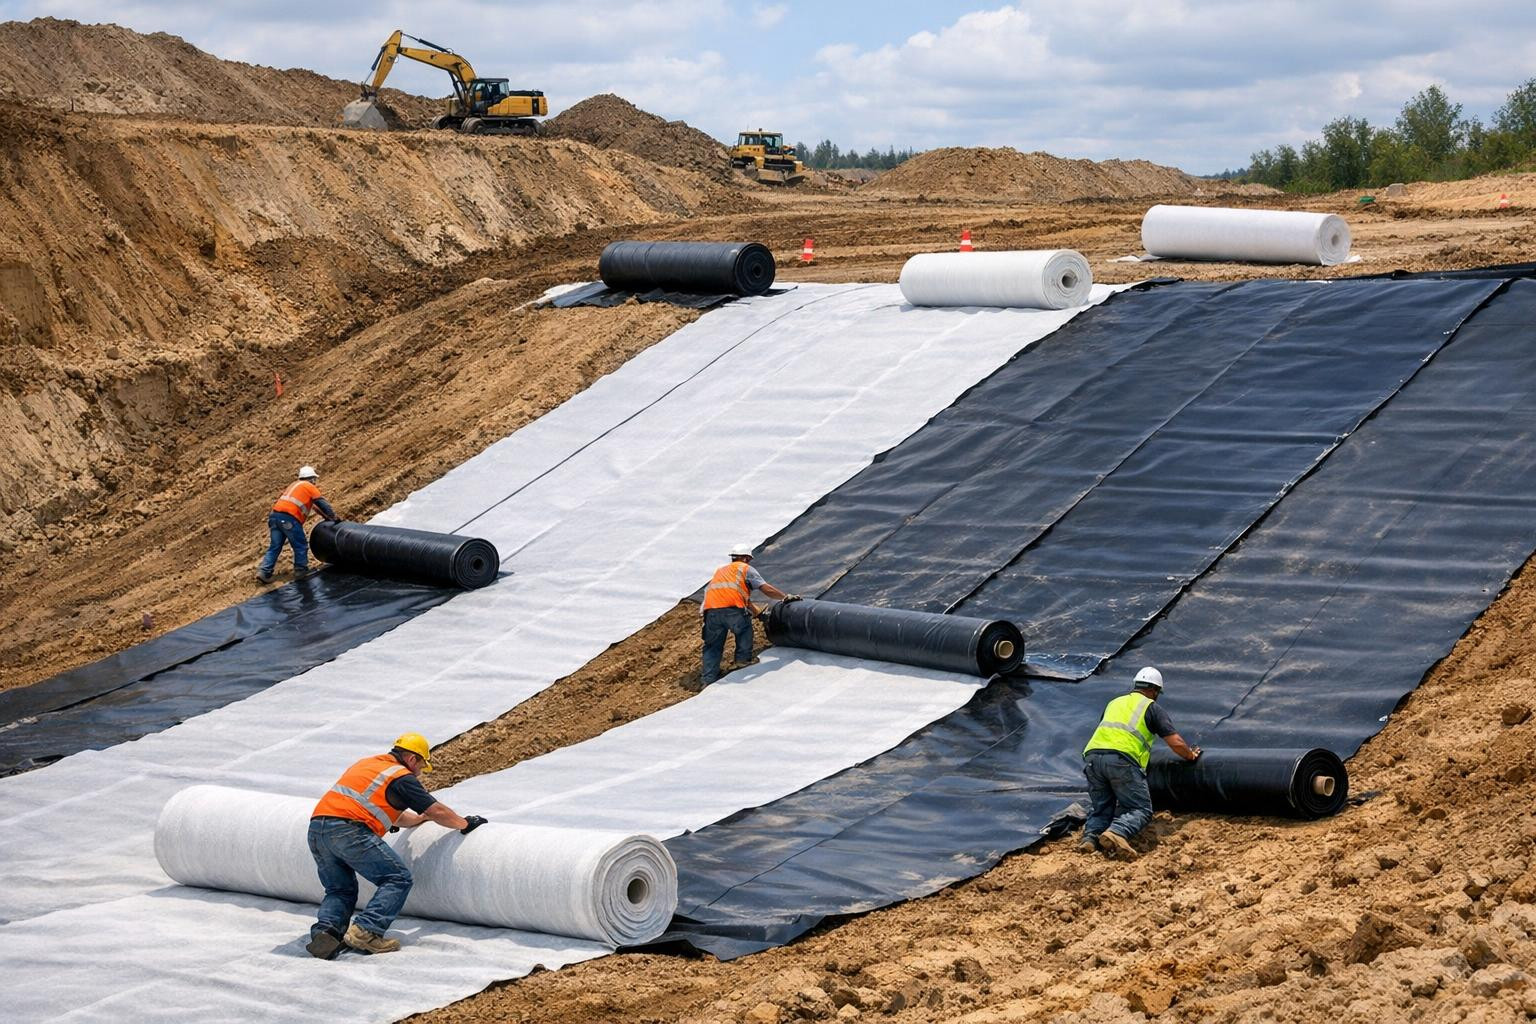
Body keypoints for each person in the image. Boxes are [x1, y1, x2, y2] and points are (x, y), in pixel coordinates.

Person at [305, 732, 487, 959]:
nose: (420, 772)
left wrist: (419, 819)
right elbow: (436, 810)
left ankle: (326, 933)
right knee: (397, 878)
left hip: (318, 829)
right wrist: (465, 823)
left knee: (339, 889)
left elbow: (390, 814)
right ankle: (367, 930)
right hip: (349, 830)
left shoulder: (369, 765)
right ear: (412, 759)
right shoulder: (401, 777)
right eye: (421, 765)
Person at [1079, 666, 1201, 861]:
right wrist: (1190, 756)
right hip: (1122, 760)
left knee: (1102, 807)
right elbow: (1175, 742)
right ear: (1154, 690)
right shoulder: (1150, 707)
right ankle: (1117, 832)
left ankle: (1090, 839)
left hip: (1092, 758)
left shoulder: (1114, 702)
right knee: (1141, 809)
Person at [697, 543, 796, 688]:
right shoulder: (745, 569)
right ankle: (742, 661)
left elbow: (741, 597)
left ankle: (708, 678)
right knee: (744, 631)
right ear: (745, 558)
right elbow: (766, 588)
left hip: (711, 612)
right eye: (748, 559)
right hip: (733, 610)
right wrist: (785, 597)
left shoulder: (720, 572)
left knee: (712, 645)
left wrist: (758, 613)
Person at [258, 464, 340, 583]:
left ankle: (264, 572)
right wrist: (333, 517)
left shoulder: (294, 486)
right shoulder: (309, 487)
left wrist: (325, 517)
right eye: (314, 479)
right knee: (300, 545)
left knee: (275, 546)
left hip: (274, 517)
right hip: (289, 519)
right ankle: (301, 571)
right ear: (311, 479)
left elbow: (315, 507)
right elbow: (322, 504)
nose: (315, 482)